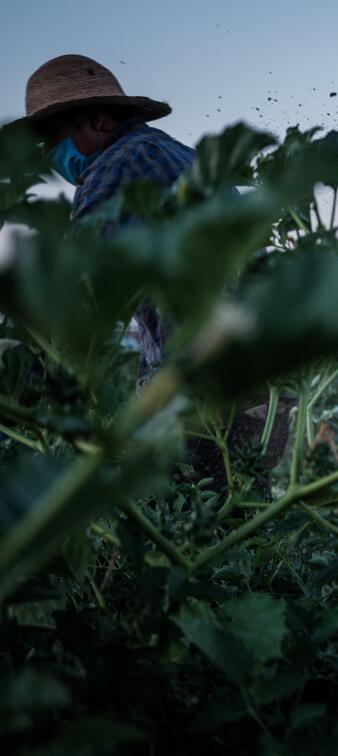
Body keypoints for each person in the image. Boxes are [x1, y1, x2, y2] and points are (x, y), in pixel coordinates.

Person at [17, 54, 288, 491]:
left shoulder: (115, 168)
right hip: (262, 389)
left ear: (99, 119)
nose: (51, 154)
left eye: (53, 137)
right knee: (239, 527)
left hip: (202, 389)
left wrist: (25, 379)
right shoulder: (180, 156)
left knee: (187, 527)